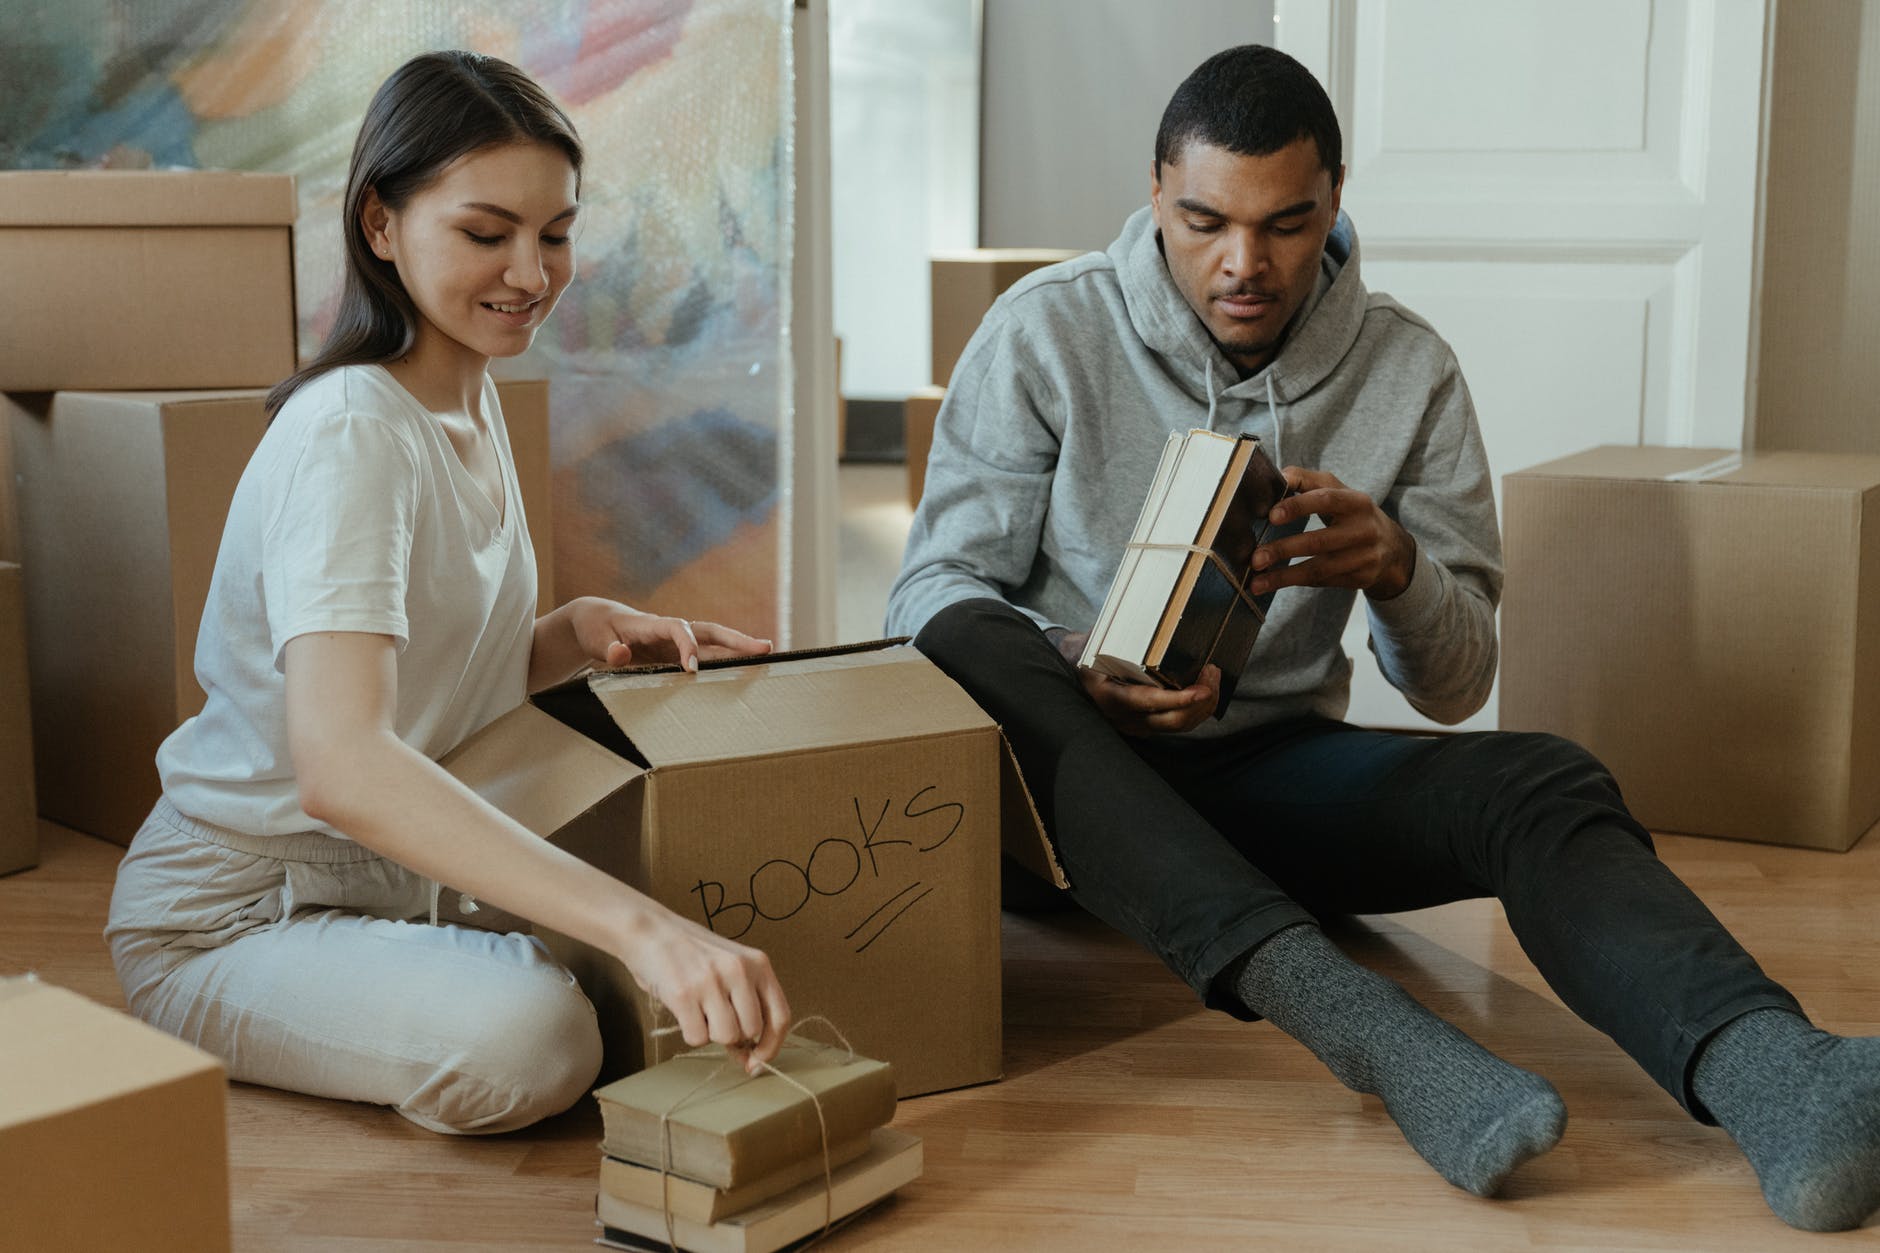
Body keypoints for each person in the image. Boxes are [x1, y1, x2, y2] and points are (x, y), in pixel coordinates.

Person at [887, 44, 1879, 1232]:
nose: (1241, 263)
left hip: (1263, 781)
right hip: (1059, 804)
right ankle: (1361, 1023)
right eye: (1203, 220)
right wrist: (1073, 662)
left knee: (1542, 777)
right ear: (1154, 192)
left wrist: (1398, 571)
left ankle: (1781, 1071)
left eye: (1284, 224)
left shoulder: (1407, 369)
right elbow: (928, 588)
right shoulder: (1043, 332)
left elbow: (1456, 687)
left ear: (1334, 201)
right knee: (957, 631)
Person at [105, 51, 792, 1135]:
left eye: (555, 233)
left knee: (727, 926)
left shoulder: (463, 402)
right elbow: (343, 763)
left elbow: (423, 673)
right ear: (381, 224)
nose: (531, 270)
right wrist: (641, 930)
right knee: (542, 1039)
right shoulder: (350, 432)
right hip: (236, 908)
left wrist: (571, 631)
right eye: (486, 233)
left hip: (384, 872)